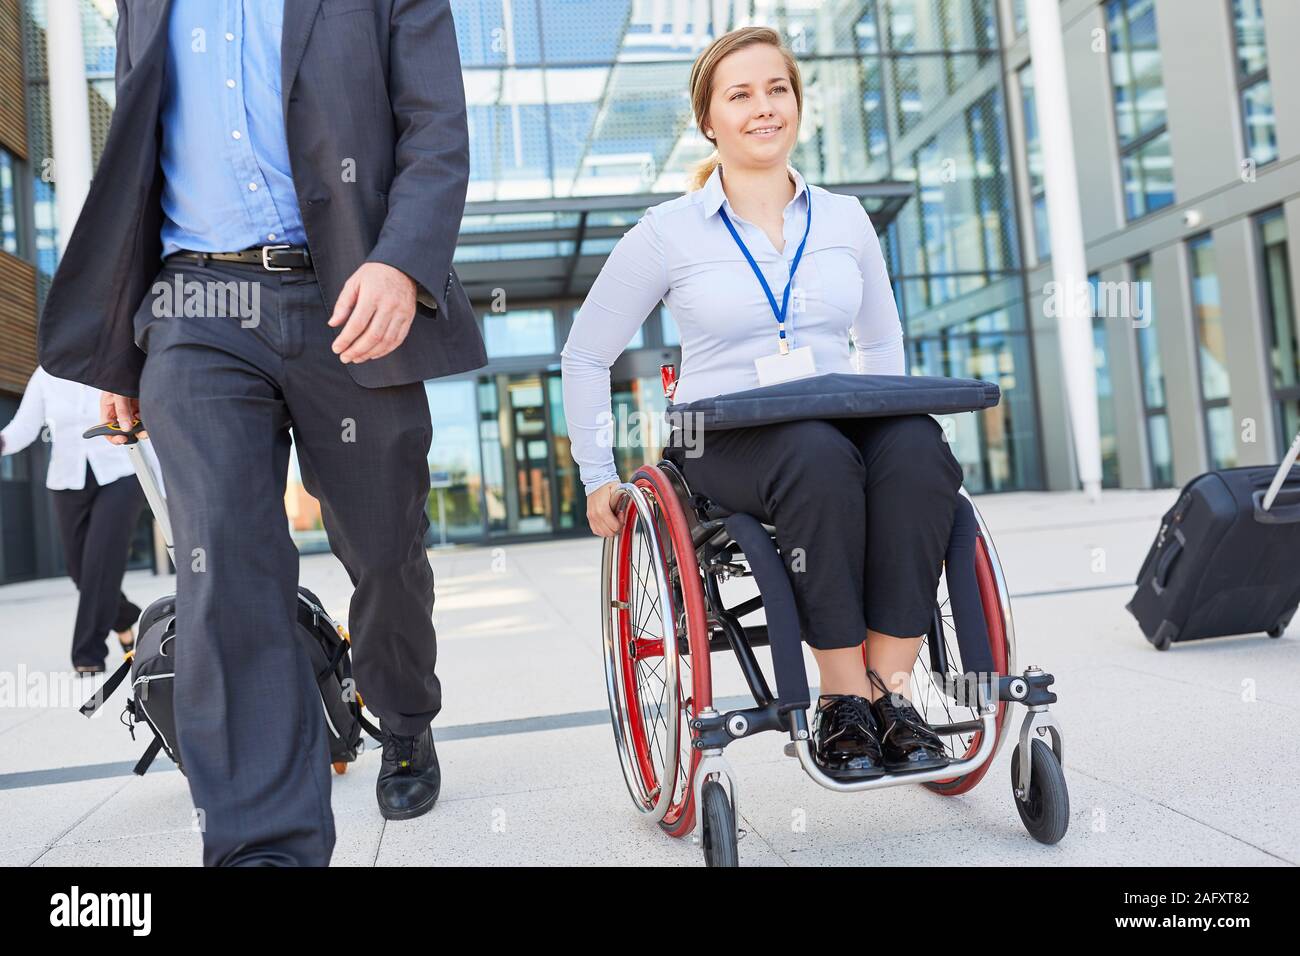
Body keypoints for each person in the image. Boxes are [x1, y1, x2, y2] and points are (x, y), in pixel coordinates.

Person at [37, 0, 486, 865]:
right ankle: (265, 846)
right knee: (225, 567)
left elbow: (436, 126)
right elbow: (134, 159)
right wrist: (124, 353)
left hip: (352, 297)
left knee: (385, 547)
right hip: (197, 304)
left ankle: (403, 717)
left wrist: (401, 263)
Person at [561, 27, 964, 782]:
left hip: (840, 421)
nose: (763, 107)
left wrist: (889, 418)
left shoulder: (844, 218)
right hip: (728, 436)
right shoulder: (667, 232)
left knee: (917, 449)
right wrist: (595, 476)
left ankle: (892, 693)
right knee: (815, 454)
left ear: (798, 104)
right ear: (709, 120)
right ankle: (842, 700)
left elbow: (882, 345)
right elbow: (586, 354)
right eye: (740, 95)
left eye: (776, 89)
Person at [0, 366, 156, 673]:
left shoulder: (113, 360)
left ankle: (88, 655)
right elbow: (23, 428)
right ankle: (125, 619)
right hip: (67, 479)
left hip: (121, 473)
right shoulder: (46, 375)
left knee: (100, 563)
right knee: (79, 572)